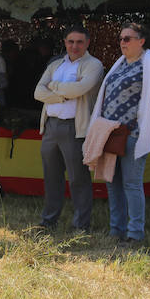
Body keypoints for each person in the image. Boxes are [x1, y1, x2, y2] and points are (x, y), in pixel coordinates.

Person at [89, 23, 150, 244]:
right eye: (121, 38)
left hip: (133, 132)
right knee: (112, 182)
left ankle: (135, 234)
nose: (122, 42)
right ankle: (117, 231)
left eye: (128, 38)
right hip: (111, 133)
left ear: (141, 41)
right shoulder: (120, 64)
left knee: (131, 184)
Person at [33, 26, 104, 231]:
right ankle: (48, 221)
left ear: (88, 43)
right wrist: (64, 94)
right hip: (51, 126)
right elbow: (38, 92)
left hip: (75, 127)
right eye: (71, 41)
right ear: (65, 42)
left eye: (80, 42)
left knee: (78, 178)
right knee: (51, 176)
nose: (75, 46)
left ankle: (81, 225)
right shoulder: (56, 64)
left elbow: (81, 89)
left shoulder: (94, 65)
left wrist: (52, 87)